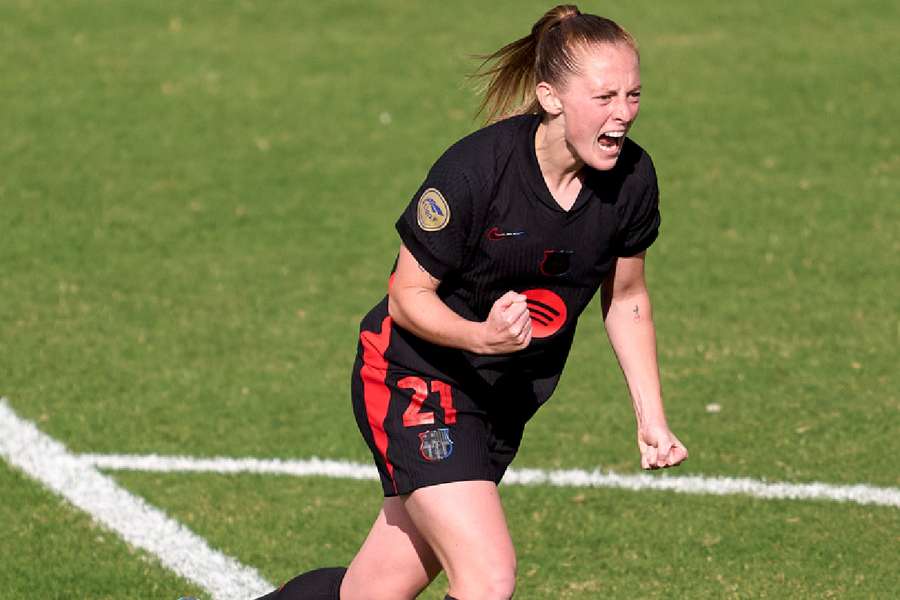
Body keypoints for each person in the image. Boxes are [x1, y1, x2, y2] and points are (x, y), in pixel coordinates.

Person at [258, 4, 688, 599]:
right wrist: (480, 336)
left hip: (501, 402)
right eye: (605, 96)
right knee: (487, 577)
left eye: (634, 95)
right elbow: (406, 297)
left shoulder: (632, 181)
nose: (623, 115)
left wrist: (651, 416)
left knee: (374, 592)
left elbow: (628, 296)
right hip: (415, 375)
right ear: (552, 96)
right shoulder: (476, 172)